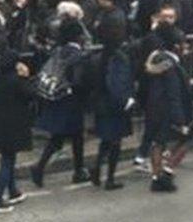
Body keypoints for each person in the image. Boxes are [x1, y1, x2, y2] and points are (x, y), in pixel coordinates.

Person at [31, 19, 91, 187]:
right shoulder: (77, 55)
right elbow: (78, 81)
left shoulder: (58, 51)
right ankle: (77, 170)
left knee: (61, 135)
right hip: (71, 99)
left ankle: (42, 166)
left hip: (56, 97)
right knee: (74, 135)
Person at [144, 26, 193, 193]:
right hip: (168, 110)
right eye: (183, 44)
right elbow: (174, 93)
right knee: (186, 139)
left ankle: (156, 177)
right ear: (176, 46)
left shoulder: (155, 60)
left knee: (157, 142)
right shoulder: (171, 66)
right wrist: (180, 119)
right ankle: (167, 171)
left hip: (153, 107)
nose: (185, 47)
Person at [0, 50, 33, 213]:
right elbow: (30, 94)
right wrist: (26, 76)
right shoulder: (17, 81)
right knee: (7, 161)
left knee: (9, 158)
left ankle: (13, 191)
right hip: (13, 126)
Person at [89, 19, 133, 190]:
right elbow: (117, 83)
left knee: (106, 140)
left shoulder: (98, 57)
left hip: (101, 103)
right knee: (115, 142)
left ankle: (97, 167)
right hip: (114, 105)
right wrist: (126, 100)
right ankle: (110, 178)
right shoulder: (119, 58)